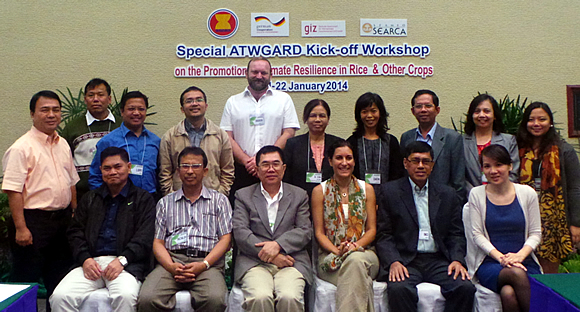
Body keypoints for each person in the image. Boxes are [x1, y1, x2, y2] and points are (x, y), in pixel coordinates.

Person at [50, 147, 155, 312]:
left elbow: (145, 237)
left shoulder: (143, 199)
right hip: (91, 263)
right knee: (60, 297)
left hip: (126, 265)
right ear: (101, 171)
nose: (112, 172)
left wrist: (122, 260)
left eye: (117, 166)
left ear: (128, 167)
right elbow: (75, 232)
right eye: (107, 168)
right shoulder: (91, 199)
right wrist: (85, 259)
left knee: (126, 296)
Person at [2, 91, 79, 311]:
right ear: (32, 114)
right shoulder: (21, 148)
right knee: (26, 280)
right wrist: (21, 228)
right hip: (33, 222)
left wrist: (73, 213)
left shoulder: (62, 143)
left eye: (56, 109)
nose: (51, 115)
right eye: (45, 110)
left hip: (62, 221)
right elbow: (13, 191)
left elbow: (71, 181)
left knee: (59, 280)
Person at [376, 141, 475, 312]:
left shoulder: (447, 194)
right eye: (415, 161)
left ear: (432, 165)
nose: (421, 166)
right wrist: (393, 261)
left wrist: (457, 260)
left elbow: (456, 233)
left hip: (438, 259)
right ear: (406, 163)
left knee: (464, 288)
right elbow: (384, 234)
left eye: (426, 161)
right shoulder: (390, 192)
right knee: (399, 289)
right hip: (406, 260)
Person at [139, 147, 232, 312]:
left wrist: (203, 264)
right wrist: (171, 266)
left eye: (195, 166)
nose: (190, 171)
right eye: (185, 166)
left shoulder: (220, 201)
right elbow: (158, 242)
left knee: (214, 299)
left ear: (205, 171)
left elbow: (225, 240)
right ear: (178, 171)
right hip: (173, 261)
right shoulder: (165, 203)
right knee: (147, 298)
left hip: (207, 263)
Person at [232, 145, 312, 312]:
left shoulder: (299, 195)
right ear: (257, 169)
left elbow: (305, 230)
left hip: (291, 261)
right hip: (253, 263)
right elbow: (240, 232)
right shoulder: (243, 195)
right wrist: (272, 256)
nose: (271, 169)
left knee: (289, 297)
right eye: (265, 164)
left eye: (275, 164)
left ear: (283, 168)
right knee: (260, 298)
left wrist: (278, 246)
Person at [467, 144, 541, 312]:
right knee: (515, 274)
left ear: (510, 166)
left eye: (498, 165)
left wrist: (519, 257)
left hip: (524, 261)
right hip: (491, 263)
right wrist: (502, 259)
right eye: (487, 166)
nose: (493, 170)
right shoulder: (476, 194)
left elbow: (536, 233)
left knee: (508, 293)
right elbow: (477, 235)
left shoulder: (527, 193)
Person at [311, 140, 379, 312]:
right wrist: (338, 251)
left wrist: (354, 247)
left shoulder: (367, 189)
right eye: (339, 158)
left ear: (354, 161)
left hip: (365, 254)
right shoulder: (319, 191)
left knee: (355, 260)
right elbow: (319, 233)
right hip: (330, 257)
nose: (344, 163)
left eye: (349, 158)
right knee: (358, 278)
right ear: (330, 161)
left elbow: (371, 230)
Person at [220, 57, 300, 204]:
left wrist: (263, 161)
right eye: (254, 72)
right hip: (243, 170)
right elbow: (226, 136)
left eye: (263, 72)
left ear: (271, 74)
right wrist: (248, 162)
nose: (259, 76)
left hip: (273, 170)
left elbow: (289, 132)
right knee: (242, 214)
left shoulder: (283, 100)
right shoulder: (233, 102)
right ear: (246, 74)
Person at [516, 101, 580, 273]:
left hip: (553, 220)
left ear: (550, 122)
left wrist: (575, 223)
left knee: (548, 274)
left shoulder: (564, 150)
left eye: (542, 119)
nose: (536, 124)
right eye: (531, 120)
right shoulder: (517, 148)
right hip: (523, 215)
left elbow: (575, 188)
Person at [159, 86, 234, 196]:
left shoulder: (220, 135)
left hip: (213, 199)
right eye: (189, 101)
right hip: (179, 200)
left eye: (199, 100)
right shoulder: (170, 137)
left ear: (206, 106)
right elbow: (165, 173)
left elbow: (228, 171)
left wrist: (219, 196)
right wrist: (172, 198)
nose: (194, 104)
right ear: (182, 109)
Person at [89, 91, 160, 196]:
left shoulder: (155, 141)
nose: (136, 113)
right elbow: (95, 176)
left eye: (141, 109)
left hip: (150, 198)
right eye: (131, 109)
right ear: (122, 112)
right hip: (118, 199)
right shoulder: (108, 141)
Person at [61, 78, 122, 200]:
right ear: (85, 99)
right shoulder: (72, 127)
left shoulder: (121, 125)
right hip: (82, 194)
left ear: (109, 99)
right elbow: (63, 163)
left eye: (100, 95)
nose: (95, 99)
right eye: (91, 95)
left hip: (119, 193)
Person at [400, 89, 466, 200]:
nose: (423, 110)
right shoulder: (407, 137)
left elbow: (458, 180)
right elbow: (403, 174)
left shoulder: (452, 138)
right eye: (419, 106)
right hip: (412, 202)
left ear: (437, 110)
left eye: (428, 106)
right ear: (413, 111)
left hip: (443, 203)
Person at [346, 92, 404, 198]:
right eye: (364, 112)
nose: (369, 116)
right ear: (358, 115)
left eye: (373, 111)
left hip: (388, 199)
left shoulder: (391, 142)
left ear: (381, 113)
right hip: (357, 199)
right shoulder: (352, 142)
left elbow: (397, 174)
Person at [283, 99, 341, 197]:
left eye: (322, 116)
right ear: (305, 119)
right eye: (313, 115)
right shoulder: (293, 144)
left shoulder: (337, 144)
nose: (317, 119)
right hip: (300, 201)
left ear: (328, 119)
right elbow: (287, 178)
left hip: (332, 198)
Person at [463, 94, 519, 194]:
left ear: (495, 116)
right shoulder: (461, 142)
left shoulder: (509, 140)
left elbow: (513, 172)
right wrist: (476, 194)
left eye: (486, 111)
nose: (481, 115)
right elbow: (460, 176)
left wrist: (497, 194)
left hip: (503, 196)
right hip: (471, 198)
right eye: (477, 111)